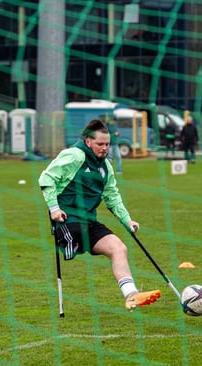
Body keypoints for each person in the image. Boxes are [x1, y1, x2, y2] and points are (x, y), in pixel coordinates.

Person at [39, 118, 161, 312]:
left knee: (119, 248)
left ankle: (131, 295)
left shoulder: (106, 167)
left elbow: (112, 196)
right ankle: (69, 244)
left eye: (107, 144)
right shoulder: (74, 155)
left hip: (89, 220)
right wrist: (54, 209)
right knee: (76, 235)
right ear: (88, 141)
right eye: (100, 144)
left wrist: (127, 220)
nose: (104, 148)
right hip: (68, 219)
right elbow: (46, 178)